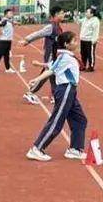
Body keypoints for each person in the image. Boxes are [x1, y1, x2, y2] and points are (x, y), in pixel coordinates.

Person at [26, 31, 88, 162]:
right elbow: (52, 70)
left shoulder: (65, 56)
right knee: (57, 121)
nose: (76, 43)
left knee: (80, 119)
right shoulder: (65, 57)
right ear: (66, 44)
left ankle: (75, 149)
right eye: (74, 40)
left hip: (71, 90)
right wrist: (37, 79)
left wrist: (38, 74)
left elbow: (51, 67)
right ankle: (37, 148)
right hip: (65, 89)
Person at [79, 6, 100, 71]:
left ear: (92, 14)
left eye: (87, 12)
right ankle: (83, 65)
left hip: (90, 40)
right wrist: (76, 16)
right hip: (83, 39)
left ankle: (91, 66)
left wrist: (94, 40)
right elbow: (78, 22)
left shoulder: (95, 20)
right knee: (83, 53)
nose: (86, 13)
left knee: (90, 54)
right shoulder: (85, 19)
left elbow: (96, 31)